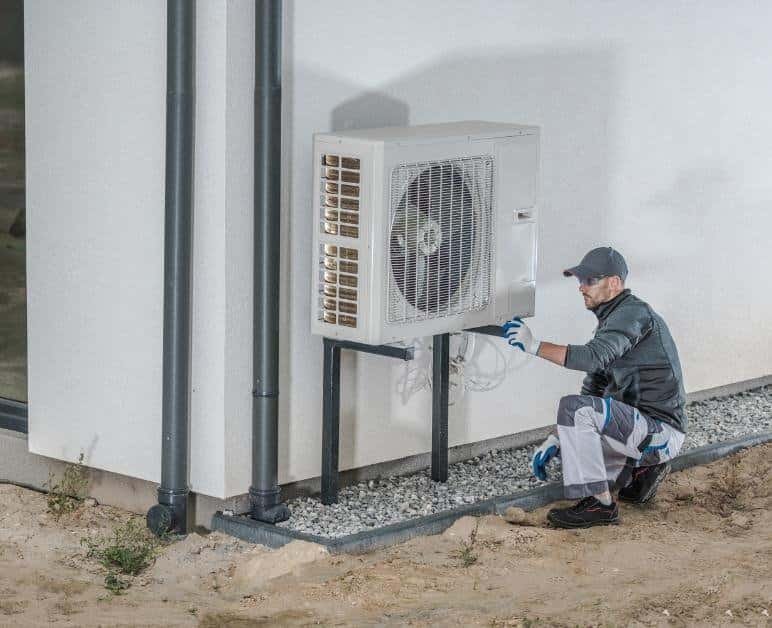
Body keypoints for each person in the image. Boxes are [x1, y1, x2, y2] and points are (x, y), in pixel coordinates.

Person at [504, 246, 687, 528]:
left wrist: (534, 345)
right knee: (574, 445)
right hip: (641, 428)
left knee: (574, 412)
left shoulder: (633, 314)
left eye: (590, 280)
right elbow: (594, 387)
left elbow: (592, 357)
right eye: (580, 280)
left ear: (614, 283)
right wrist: (557, 438)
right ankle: (640, 475)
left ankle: (599, 506)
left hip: (659, 430)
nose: (581, 287)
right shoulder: (613, 321)